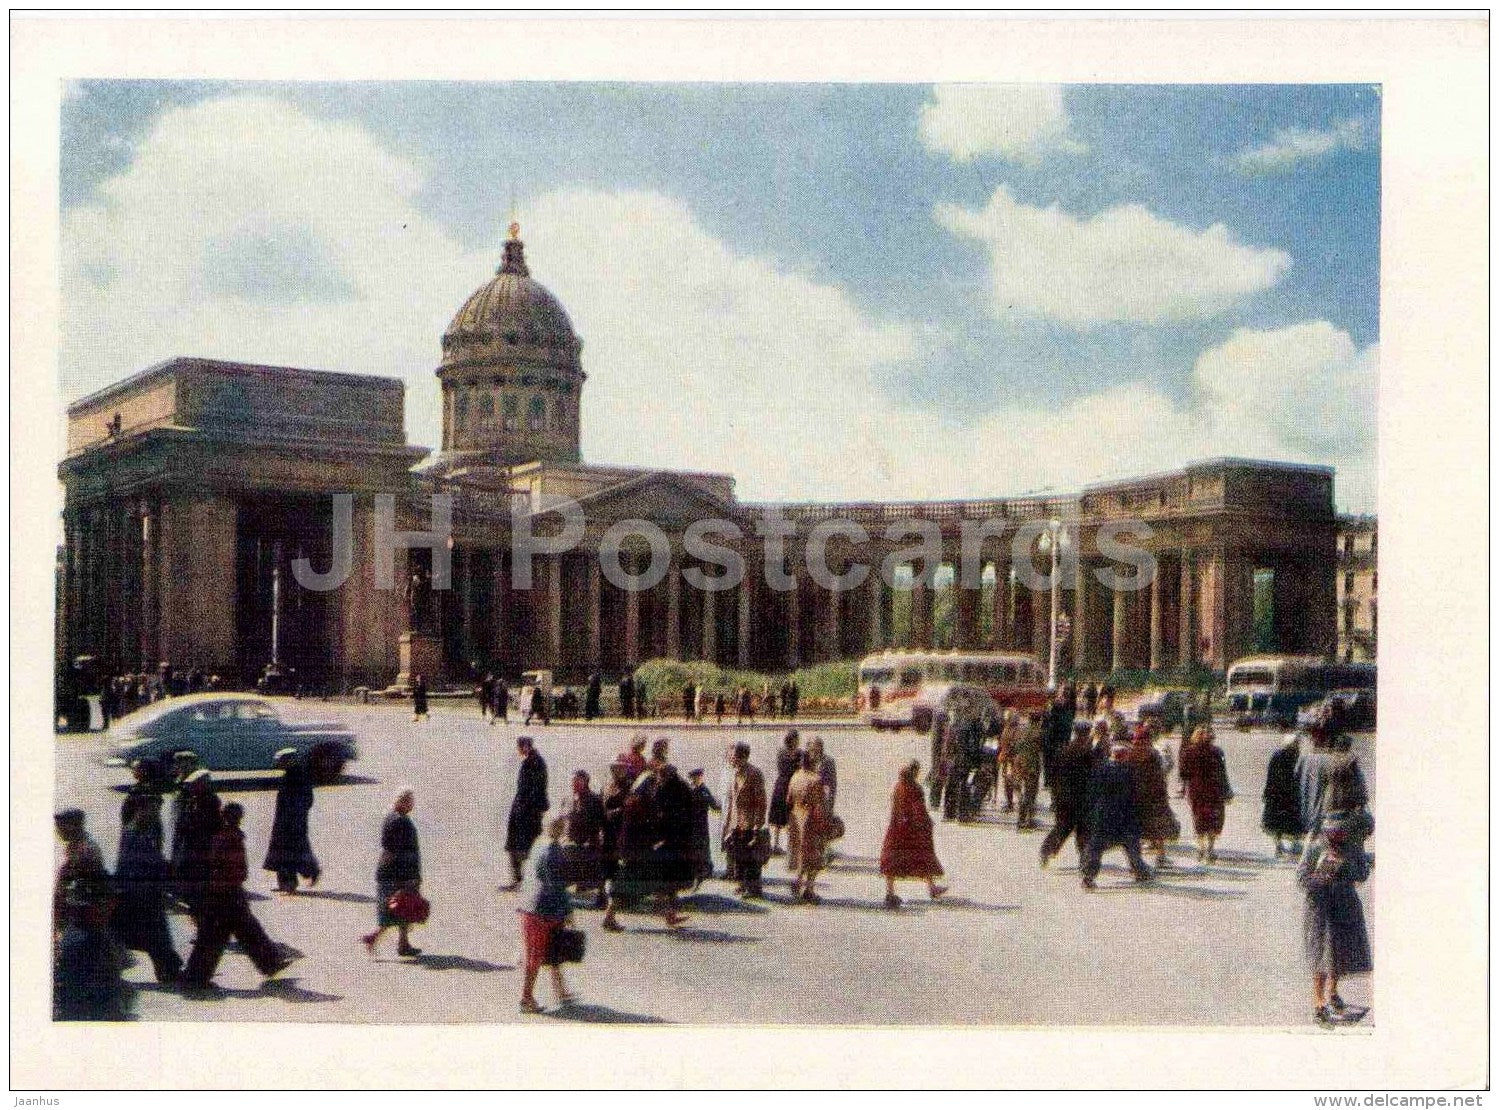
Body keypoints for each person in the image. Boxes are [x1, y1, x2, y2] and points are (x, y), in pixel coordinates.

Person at [182, 802, 295, 988]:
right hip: (227, 893)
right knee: (230, 932)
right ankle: (196, 978)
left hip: (225, 891)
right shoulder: (229, 837)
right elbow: (229, 867)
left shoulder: (225, 836)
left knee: (233, 932)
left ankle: (269, 963)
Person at [53, 808, 127, 1020]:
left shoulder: (85, 852)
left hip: (87, 920)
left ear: (75, 825)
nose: (58, 831)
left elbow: (85, 890)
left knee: (82, 966)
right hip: (86, 920)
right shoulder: (77, 847)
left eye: (62, 825)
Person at [1299, 821, 1373, 1026]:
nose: (1337, 838)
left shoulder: (1353, 845)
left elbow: (1362, 873)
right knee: (1321, 953)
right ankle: (1319, 1002)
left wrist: (1344, 865)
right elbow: (1302, 878)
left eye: (1341, 834)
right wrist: (1321, 876)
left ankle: (1332, 992)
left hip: (1344, 904)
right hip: (1320, 907)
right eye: (1332, 834)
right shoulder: (1315, 846)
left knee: (1339, 952)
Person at [111, 794, 183, 984]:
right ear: (140, 810)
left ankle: (168, 969)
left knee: (153, 935)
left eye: (157, 811)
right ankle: (168, 970)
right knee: (149, 935)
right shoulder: (133, 834)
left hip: (143, 894)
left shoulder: (143, 832)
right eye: (153, 810)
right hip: (137, 896)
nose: (156, 815)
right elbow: (142, 865)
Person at [519, 817, 578, 1014]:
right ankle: (526, 998)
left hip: (530, 905)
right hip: (545, 910)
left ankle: (561, 992)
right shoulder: (553, 851)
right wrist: (568, 911)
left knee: (551, 950)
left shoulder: (539, 843)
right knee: (538, 956)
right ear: (560, 828)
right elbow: (557, 886)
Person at [1080, 743, 1153, 889]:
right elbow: (1137, 793)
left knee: (1096, 847)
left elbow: (1092, 793)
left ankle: (1088, 877)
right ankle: (1140, 871)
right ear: (1124, 756)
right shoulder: (1129, 771)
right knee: (1132, 845)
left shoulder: (1101, 770)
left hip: (1104, 815)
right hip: (1125, 815)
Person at [879, 761, 948, 908]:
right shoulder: (915, 789)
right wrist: (926, 824)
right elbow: (919, 810)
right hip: (912, 830)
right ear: (915, 772)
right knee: (923, 857)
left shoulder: (898, 787)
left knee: (893, 861)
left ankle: (890, 893)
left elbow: (895, 808)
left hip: (896, 829)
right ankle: (932, 888)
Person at [363, 789, 423, 958]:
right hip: (398, 874)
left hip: (391, 872)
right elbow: (398, 850)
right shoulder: (400, 821)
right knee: (397, 908)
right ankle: (374, 938)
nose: (412, 805)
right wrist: (411, 877)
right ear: (402, 802)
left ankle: (403, 944)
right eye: (409, 801)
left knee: (403, 909)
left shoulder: (393, 817)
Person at [263, 748, 320, 894]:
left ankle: (303, 875)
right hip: (284, 820)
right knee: (283, 851)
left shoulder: (299, 777)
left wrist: (296, 817)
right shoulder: (290, 775)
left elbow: (307, 800)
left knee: (292, 850)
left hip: (294, 822)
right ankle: (286, 883)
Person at [1039, 722, 1095, 869]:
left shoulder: (1063, 750)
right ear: (1085, 734)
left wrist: (1055, 796)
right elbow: (1093, 776)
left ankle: (1046, 851)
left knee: (1063, 827)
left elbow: (1052, 775)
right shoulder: (1087, 753)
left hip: (1063, 798)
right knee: (1082, 830)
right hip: (1080, 799)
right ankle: (1084, 860)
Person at [171, 769, 223, 919]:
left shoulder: (209, 803)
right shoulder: (194, 801)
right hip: (191, 850)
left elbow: (206, 827)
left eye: (194, 785)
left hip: (203, 851)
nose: (191, 788)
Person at [1178, 725, 1233, 863]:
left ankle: (1202, 848)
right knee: (1214, 819)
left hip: (1197, 790)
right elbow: (1222, 773)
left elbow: (1183, 774)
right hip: (1214, 790)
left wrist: (1186, 787)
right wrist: (1227, 790)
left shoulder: (1188, 752)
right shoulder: (1217, 752)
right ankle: (1210, 849)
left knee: (1199, 819)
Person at [1130, 724, 1181, 869]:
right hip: (1153, 798)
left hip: (1137, 797)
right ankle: (1160, 857)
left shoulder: (1132, 755)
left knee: (1137, 830)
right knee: (1158, 830)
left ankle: (1137, 860)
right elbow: (1160, 775)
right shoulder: (1153, 755)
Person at [502, 737, 550, 890]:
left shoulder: (535, 762)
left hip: (528, 812)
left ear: (526, 747)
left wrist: (525, 808)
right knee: (520, 847)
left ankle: (522, 881)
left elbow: (536, 789)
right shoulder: (532, 761)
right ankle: (520, 880)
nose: (519, 750)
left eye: (520, 747)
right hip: (524, 810)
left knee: (523, 847)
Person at [722, 742, 768, 898]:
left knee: (751, 858)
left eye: (734, 756)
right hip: (737, 822)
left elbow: (761, 801)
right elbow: (732, 799)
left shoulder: (754, 774)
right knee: (739, 856)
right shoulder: (735, 772)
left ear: (743, 757)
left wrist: (757, 825)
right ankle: (742, 884)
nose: (732, 758)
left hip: (750, 821)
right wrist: (729, 823)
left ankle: (753, 889)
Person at [786, 751, 831, 904]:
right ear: (812, 763)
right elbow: (821, 802)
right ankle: (809, 889)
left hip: (796, 817)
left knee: (800, 852)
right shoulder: (815, 779)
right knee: (814, 854)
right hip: (811, 819)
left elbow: (788, 799)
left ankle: (798, 881)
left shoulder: (795, 777)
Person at [564, 770, 606, 904]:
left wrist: (594, 839)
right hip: (572, 840)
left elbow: (601, 822)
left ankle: (598, 893)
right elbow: (564, 819)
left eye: (578, 781)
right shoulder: (569, 799)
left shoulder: (594, 799)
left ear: (585, 782)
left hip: (589, 841)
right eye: (573, 781)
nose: (574, 784)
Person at [1263, 731, 1306, 857]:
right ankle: (1281, 847)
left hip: (1282, 793)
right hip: (1283, 793)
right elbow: (1272, 775)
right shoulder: (1289, 756)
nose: (1298, 745)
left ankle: (1284, 846)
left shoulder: (1288, 755)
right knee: (1282, 821)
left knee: (1280, 821)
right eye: (1296, 743)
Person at [686, 769, 721, 889]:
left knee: (703, 846)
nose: (693, 780)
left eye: (695, 777)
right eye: (692, 778)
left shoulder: (704, 790)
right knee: (695, 847)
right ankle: (700, 870)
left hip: (701, 824)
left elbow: (714, 805)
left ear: (700, 777)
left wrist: (719, 804)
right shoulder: (690, 790)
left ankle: (706, 869)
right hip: (692, 824)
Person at [768, 730, 800, 854]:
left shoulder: (789, 753)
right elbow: (790, 769)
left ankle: (784, 845)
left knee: (787, 816)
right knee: (783, 815)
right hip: (786, 786)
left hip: (785, 785)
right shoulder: (789, 753)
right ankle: (779, 845)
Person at [1012, 714, 1045, 830]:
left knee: (1025, 792)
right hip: (1032, 766)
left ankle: (1022, 819)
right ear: (1039, 720)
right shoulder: (1039, 732)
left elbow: (1016, 747)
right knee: (1030, 793)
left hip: (1021, 765)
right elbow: (1042, 748)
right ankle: (1027, 820)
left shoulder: (1022, 731)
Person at [808, 737, 838, 814]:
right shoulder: (807, 762)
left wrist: (829, 804)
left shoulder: (828, 761)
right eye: (809, 748)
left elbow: (832, 784)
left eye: (813, 747)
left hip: (823, 800)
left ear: (820, 747)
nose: (810, 749)